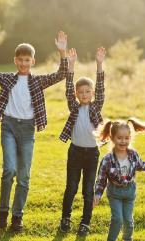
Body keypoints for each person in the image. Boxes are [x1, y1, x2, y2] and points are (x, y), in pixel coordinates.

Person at [0, 30, 68, 231]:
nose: (24, 63)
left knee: (24, 175)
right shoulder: (8, 79)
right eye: (20, 60)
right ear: (15, 60)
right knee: (9, 170)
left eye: (27, 60)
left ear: (33, 61)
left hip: (28, 130)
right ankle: (3, 213)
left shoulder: (37, 81)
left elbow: (61, 74)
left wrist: (62, 52)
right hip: (8, 126)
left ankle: (17, 217)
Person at [93, 118, 145, 241]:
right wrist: (97, 194)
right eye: (120, 138)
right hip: (115, 193)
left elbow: (141, 165)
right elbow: (101, 179)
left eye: (126, 138)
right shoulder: (107, 159)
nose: (123, 141)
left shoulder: (133, 154)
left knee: (128, 221)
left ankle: (127, 239)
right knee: (117, 219)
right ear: (112, 138)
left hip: (129, 192)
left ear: (130, 138)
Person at [58, 47, 106, 236]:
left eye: (88, 91)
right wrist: (71, 65)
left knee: (88, 190)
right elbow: (68, 88)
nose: (84, 94)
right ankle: (65, 219)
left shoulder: (96, 107)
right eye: (81, 92)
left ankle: (85, 222)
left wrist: (100, 64)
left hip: (92, 154)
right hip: (75, 152)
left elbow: (102, 88)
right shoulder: (74, 107)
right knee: (71, 187)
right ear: (77, 95)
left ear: (92, 93)